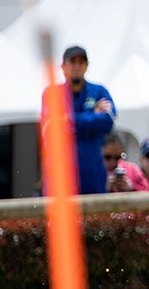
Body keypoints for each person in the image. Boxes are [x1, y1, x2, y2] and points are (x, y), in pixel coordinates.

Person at [48, 45, 116, 195]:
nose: (77, 66)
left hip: (92, 175)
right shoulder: (52, 93)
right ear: (63, 66)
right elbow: (50, 127)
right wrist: (93, 114)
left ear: (86, 66)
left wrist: (68, 120)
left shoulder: (99, 91)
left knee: (96, 211)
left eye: (81, 62)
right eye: (72, 61)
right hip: (61, 175)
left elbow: (108, 122)